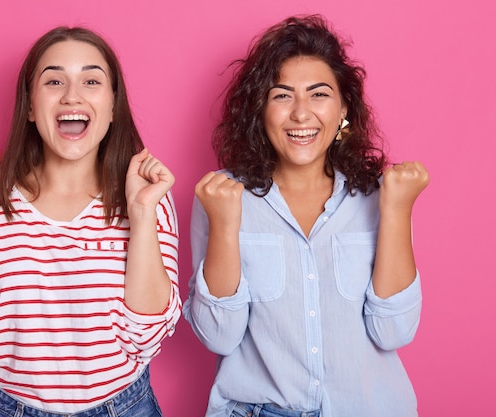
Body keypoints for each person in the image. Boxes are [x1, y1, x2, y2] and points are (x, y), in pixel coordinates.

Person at [183, 14, 429, 417]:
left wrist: (398, 212)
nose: (301, 114)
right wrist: (226, 226)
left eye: (318, 94)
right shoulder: (219, 196)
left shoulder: (382, 196)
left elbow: (394, 331)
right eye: (282, 96)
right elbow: (219, 336)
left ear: (343, 109)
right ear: (260, 110)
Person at [0, 26, 181, 417]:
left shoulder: (145, 192)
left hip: (125, 407)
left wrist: (143, 213)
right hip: (8, 407)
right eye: (54, 80)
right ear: (30, 106)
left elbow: (145, 338)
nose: (72, 95)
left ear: (113, 106)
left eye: (92, 80)